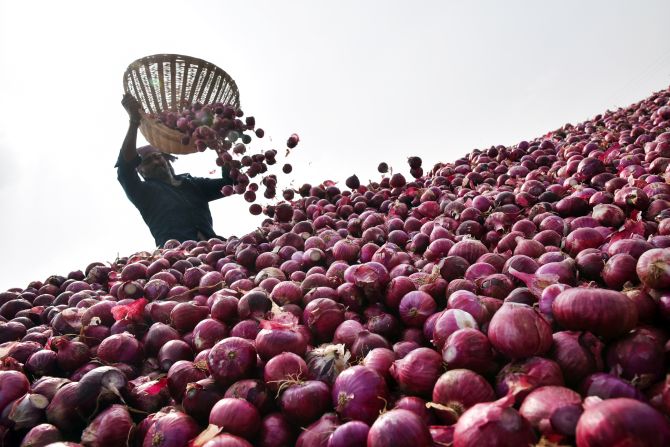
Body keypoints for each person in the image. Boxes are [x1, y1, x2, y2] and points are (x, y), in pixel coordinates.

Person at [117, 93, 234, 247]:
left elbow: (230, 184)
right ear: (141, 171)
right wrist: (134, 121)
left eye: (158, 156)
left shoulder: (192, 184)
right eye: (148, 161)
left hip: (214, 250)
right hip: (175, 258)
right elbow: (125, 168)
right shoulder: (143, 192)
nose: (156, 161)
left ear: (167, 160)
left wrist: (219, 144)